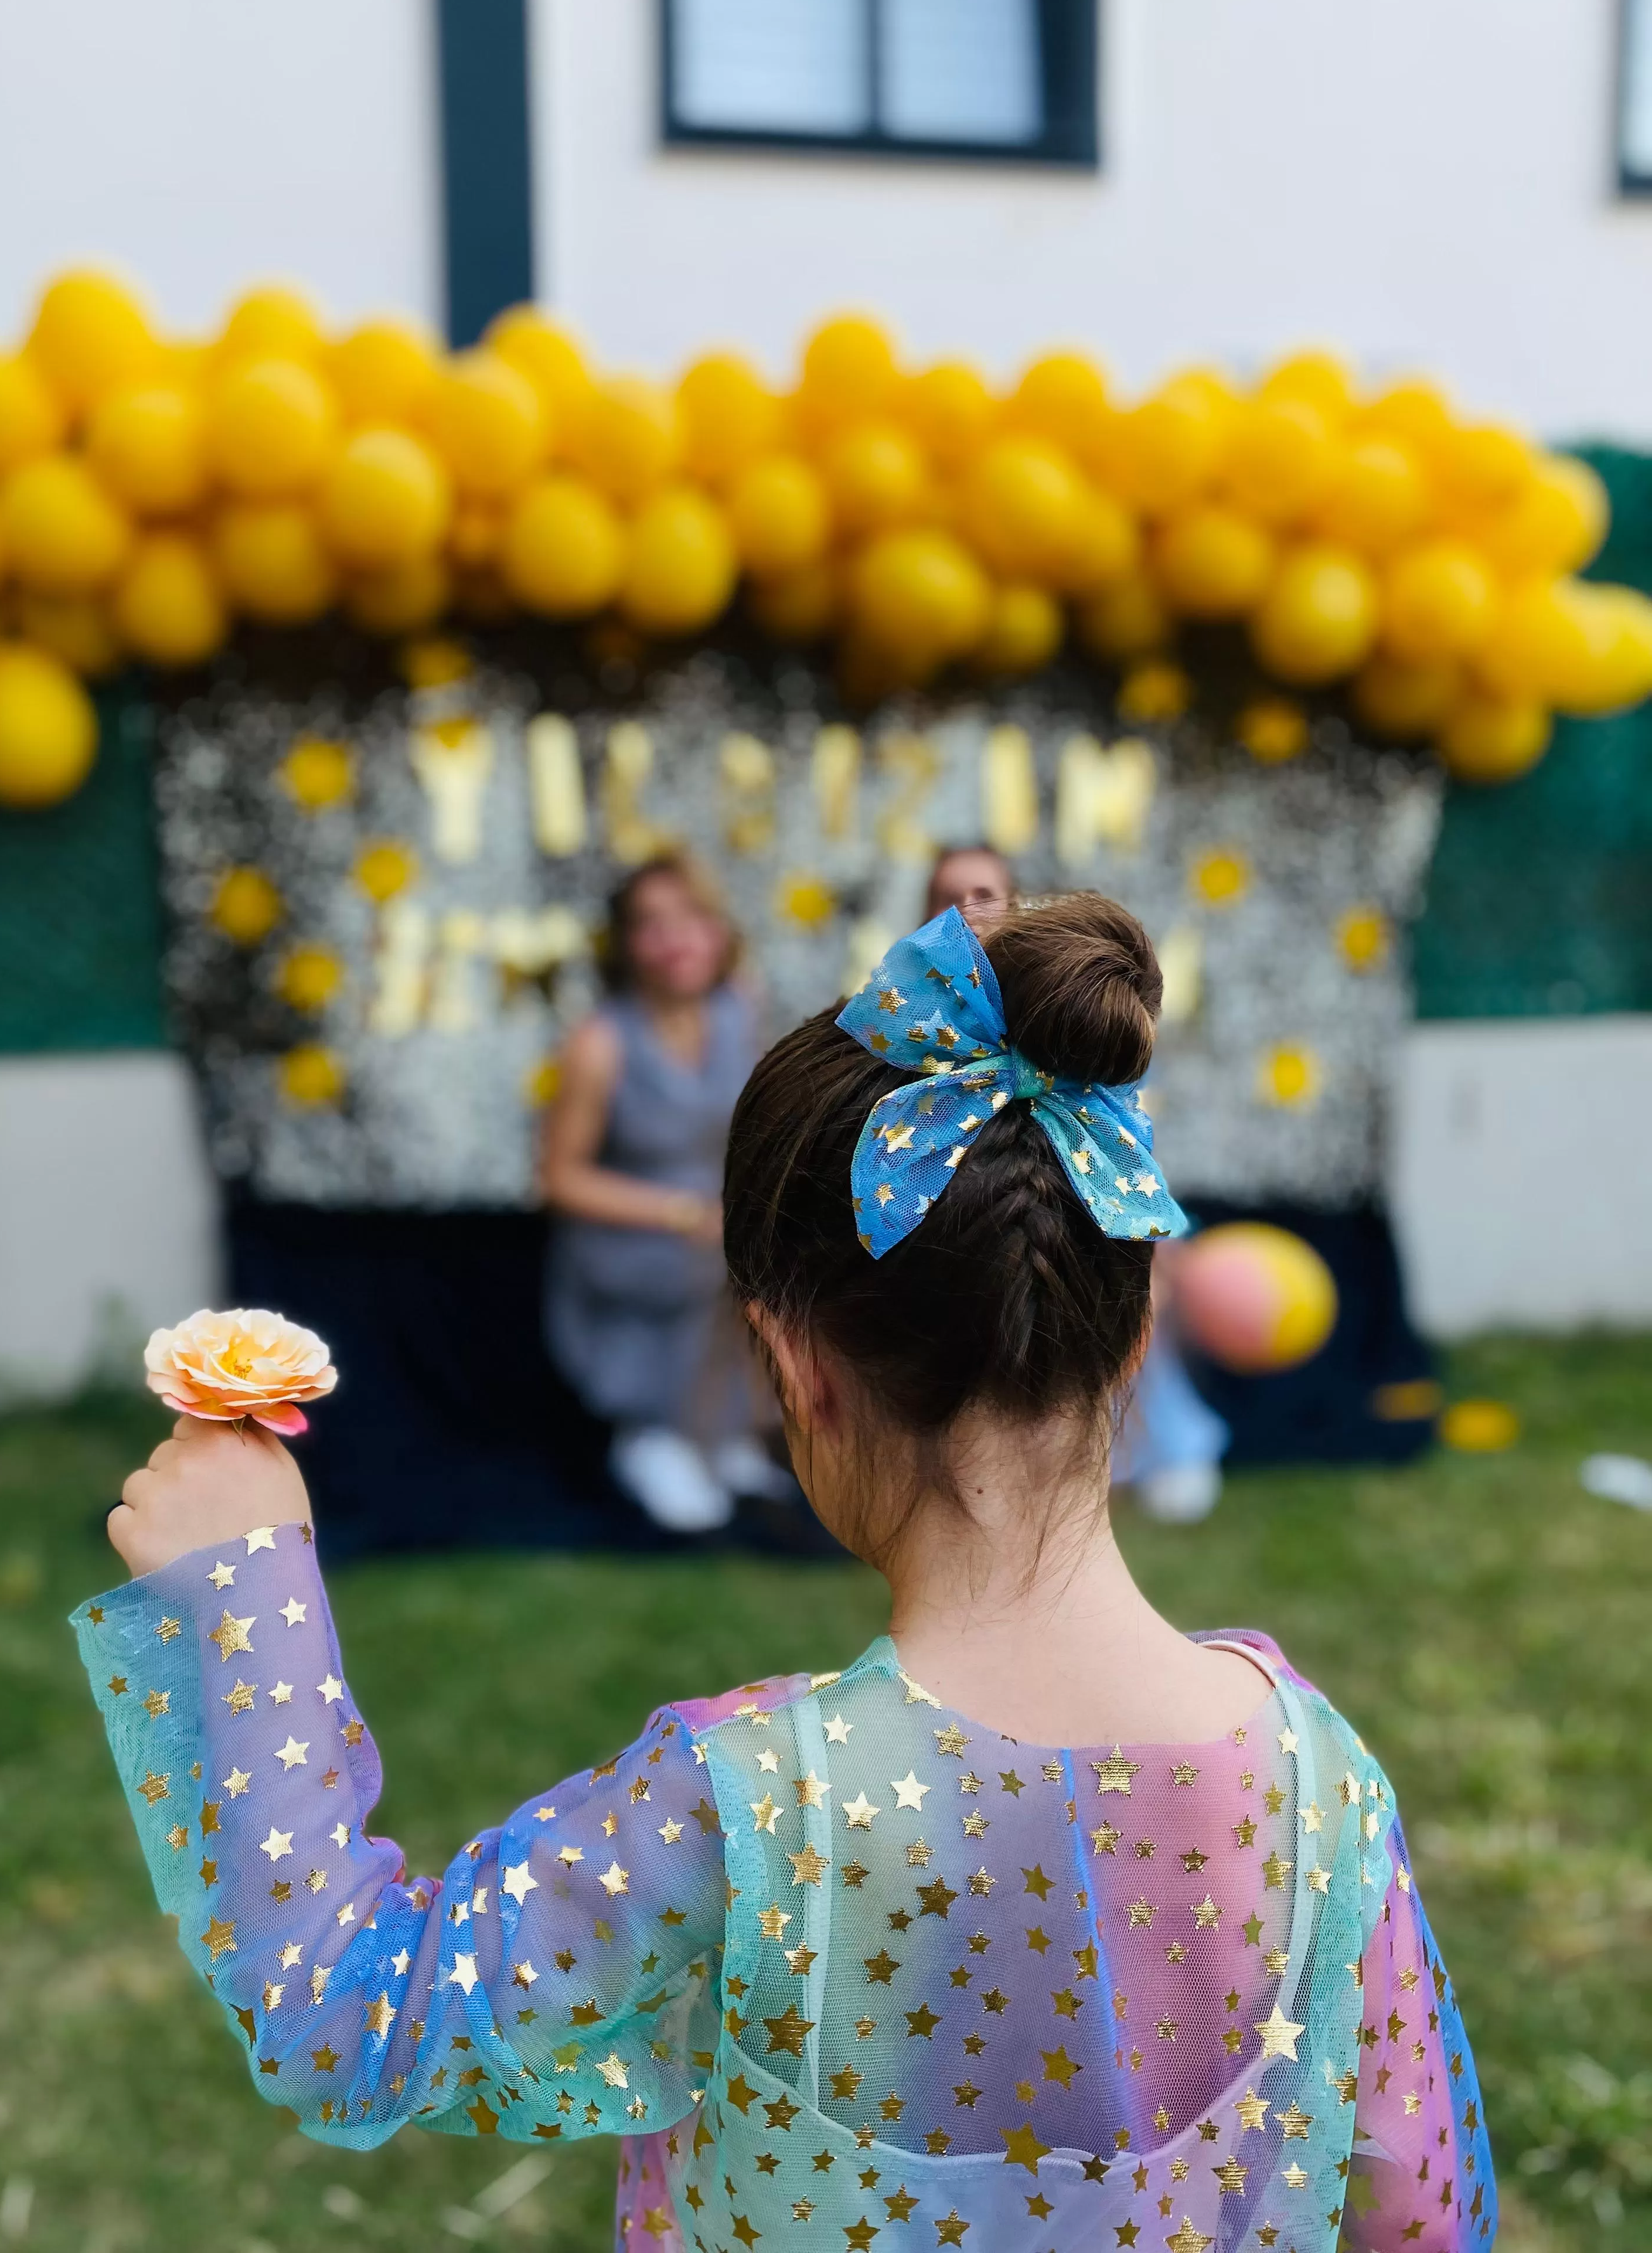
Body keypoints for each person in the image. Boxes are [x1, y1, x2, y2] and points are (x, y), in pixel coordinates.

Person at [79, 895, 1494, 2253]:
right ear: (1132, 1341)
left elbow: (348, 2020)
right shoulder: (1323, 1779)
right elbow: (1417, 2214)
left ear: (796, 1369)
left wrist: (241, 1606)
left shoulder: (747, 1803)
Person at [925, 844, 1229, 1523]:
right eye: (950, 895)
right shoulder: (913, 1016)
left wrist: (1157, 1235)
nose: (967, 910)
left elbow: (1124, 1127)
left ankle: (1167, 1445)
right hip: (972, 1211)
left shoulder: (1071, 999)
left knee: (1138, 1290)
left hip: (1088, 1197)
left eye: (986, 894)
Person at [539, 851, 788, 1533]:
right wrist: (679, 1213)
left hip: (716, 1218)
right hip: (634, 1233)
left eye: (693, 918)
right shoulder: (601, 1043)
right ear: (625, 944)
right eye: (652, 924)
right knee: (708, 1259)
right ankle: (655, 1438)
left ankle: (723, 1431)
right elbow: (560, 1179)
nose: (676, 939)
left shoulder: (740, 1009)